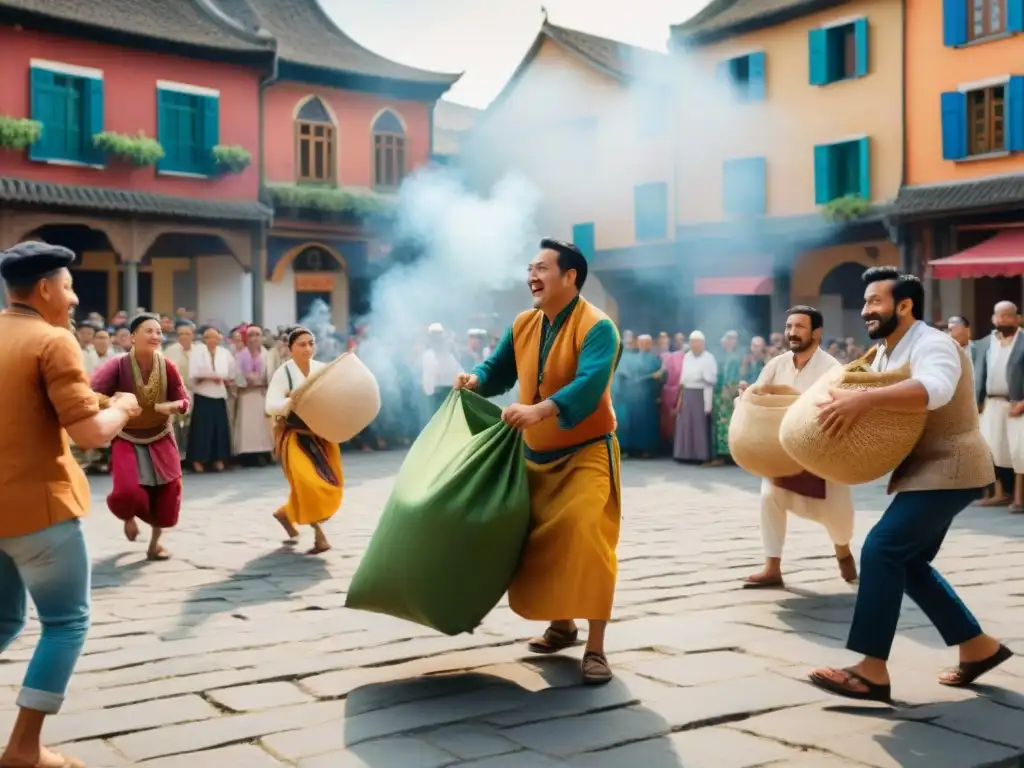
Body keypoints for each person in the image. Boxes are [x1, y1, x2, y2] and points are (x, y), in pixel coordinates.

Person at [809, 267, 1011, 702]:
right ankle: (978, 648)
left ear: (905, 306)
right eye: (864, 302)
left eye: (875, 302)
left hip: (954, 465)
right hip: (926, 470)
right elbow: (842, 387)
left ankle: (871, 670)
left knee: (882, 549)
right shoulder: (883, 353)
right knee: (909, 564)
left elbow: (934, 389)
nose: (866, 310)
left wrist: (864, 400)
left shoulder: (934, 343)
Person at [454, 238, 622, 686]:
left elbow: (589, 386)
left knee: (586, 536)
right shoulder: (524, 322)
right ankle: (562, 624)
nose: (533, 275)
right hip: (534, 454)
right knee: (540, 544)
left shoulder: (598, 327)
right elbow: (498, 368)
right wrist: (475, 380)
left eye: (543, 268)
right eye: (530, 267)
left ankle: (596, 646)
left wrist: (541, 409)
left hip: (586, 452)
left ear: (570, 277)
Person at [0, 241, 141, 768]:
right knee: (65, 623)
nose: (75, 297)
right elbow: (89, 433)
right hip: (41, 511)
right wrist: (123, 409)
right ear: (43, 289)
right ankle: (23, 748)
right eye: (68, 285)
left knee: (1, 621)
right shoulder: (53, 340)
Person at [740, 306, 857, 588]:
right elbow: (757, 395)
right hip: (780, 452)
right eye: (789, 326)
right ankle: (772, 567)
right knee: (769, 497)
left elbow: (841, 406)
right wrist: (746, 397)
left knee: (837, 513)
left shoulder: (833, 369)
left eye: (800, 327)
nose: (792, 332)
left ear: (816, 332)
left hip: (820, 454)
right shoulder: (776, 365)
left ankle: (842, 550)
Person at [90, 314, 190, 561]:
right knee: (127, 492)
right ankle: (128, 517)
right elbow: (91, 393)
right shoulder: (118, 365)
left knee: (167, 490)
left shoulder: (168, 366)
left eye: (158, 331)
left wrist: (172, 406)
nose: (156, 336)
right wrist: (112, 401)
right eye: (149, 331)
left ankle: (155, 544)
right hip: (127, 435)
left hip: (161, 435)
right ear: (133, 336)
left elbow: (184, 400)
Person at [265, 327, 342, 554]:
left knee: (329, 483)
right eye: (302, 344)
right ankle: (320, 537)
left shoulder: (322, 370)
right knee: (308, 484)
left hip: (321, 436)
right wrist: (290, 402)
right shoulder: (284, 373)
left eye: (311, 343)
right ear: (290, 349)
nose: (307, 348)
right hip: (295, 437)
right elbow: (271, 404)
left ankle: (285, 514)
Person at [973, 302, 1024, 510]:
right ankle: (999, 493)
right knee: (990, 450)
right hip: (991, 404)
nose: (1004, 320)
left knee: (1019, 452)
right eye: (1000, 316)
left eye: (1008, 316)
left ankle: (1019, 498)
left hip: (1017, 405)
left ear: (1017, 318)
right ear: (993, 319)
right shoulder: (985, 343)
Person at [186, 325, 234, 473]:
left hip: (219, 394)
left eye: (215, 337)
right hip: (203, 394)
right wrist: (209, 375)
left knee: (219, 429)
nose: (212, 340)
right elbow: (194, 372)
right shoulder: (197, 351)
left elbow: (230, 372)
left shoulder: (224, 353)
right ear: (204, 339)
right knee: (201, 429)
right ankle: (198, 460)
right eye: (208, 337)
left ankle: (218, 459)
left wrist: (224, 378)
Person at [673, 330, 718, 464]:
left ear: (703, 343)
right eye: (693, 342)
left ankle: (700, 455)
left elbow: (712, 378)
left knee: (699, 425)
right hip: (687, 393)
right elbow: (683, 378)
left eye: (698, 342)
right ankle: (684, 454)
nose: (695, 345)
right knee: (685, 424)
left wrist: (701, 376)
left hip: (701, 393)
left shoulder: (709, 357)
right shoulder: (687, 357)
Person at [233, 325, 274, 466]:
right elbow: (236, 375)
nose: (254, 338)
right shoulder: (240, 355)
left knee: (262, 426)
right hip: (247, 394)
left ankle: (263, 453)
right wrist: (246, 380)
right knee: (247, 426)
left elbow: (272, 374)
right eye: (251, 335)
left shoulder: (267, 355)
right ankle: (248, 456)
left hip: (262, 393)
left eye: (257, 335)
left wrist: (262, 381)